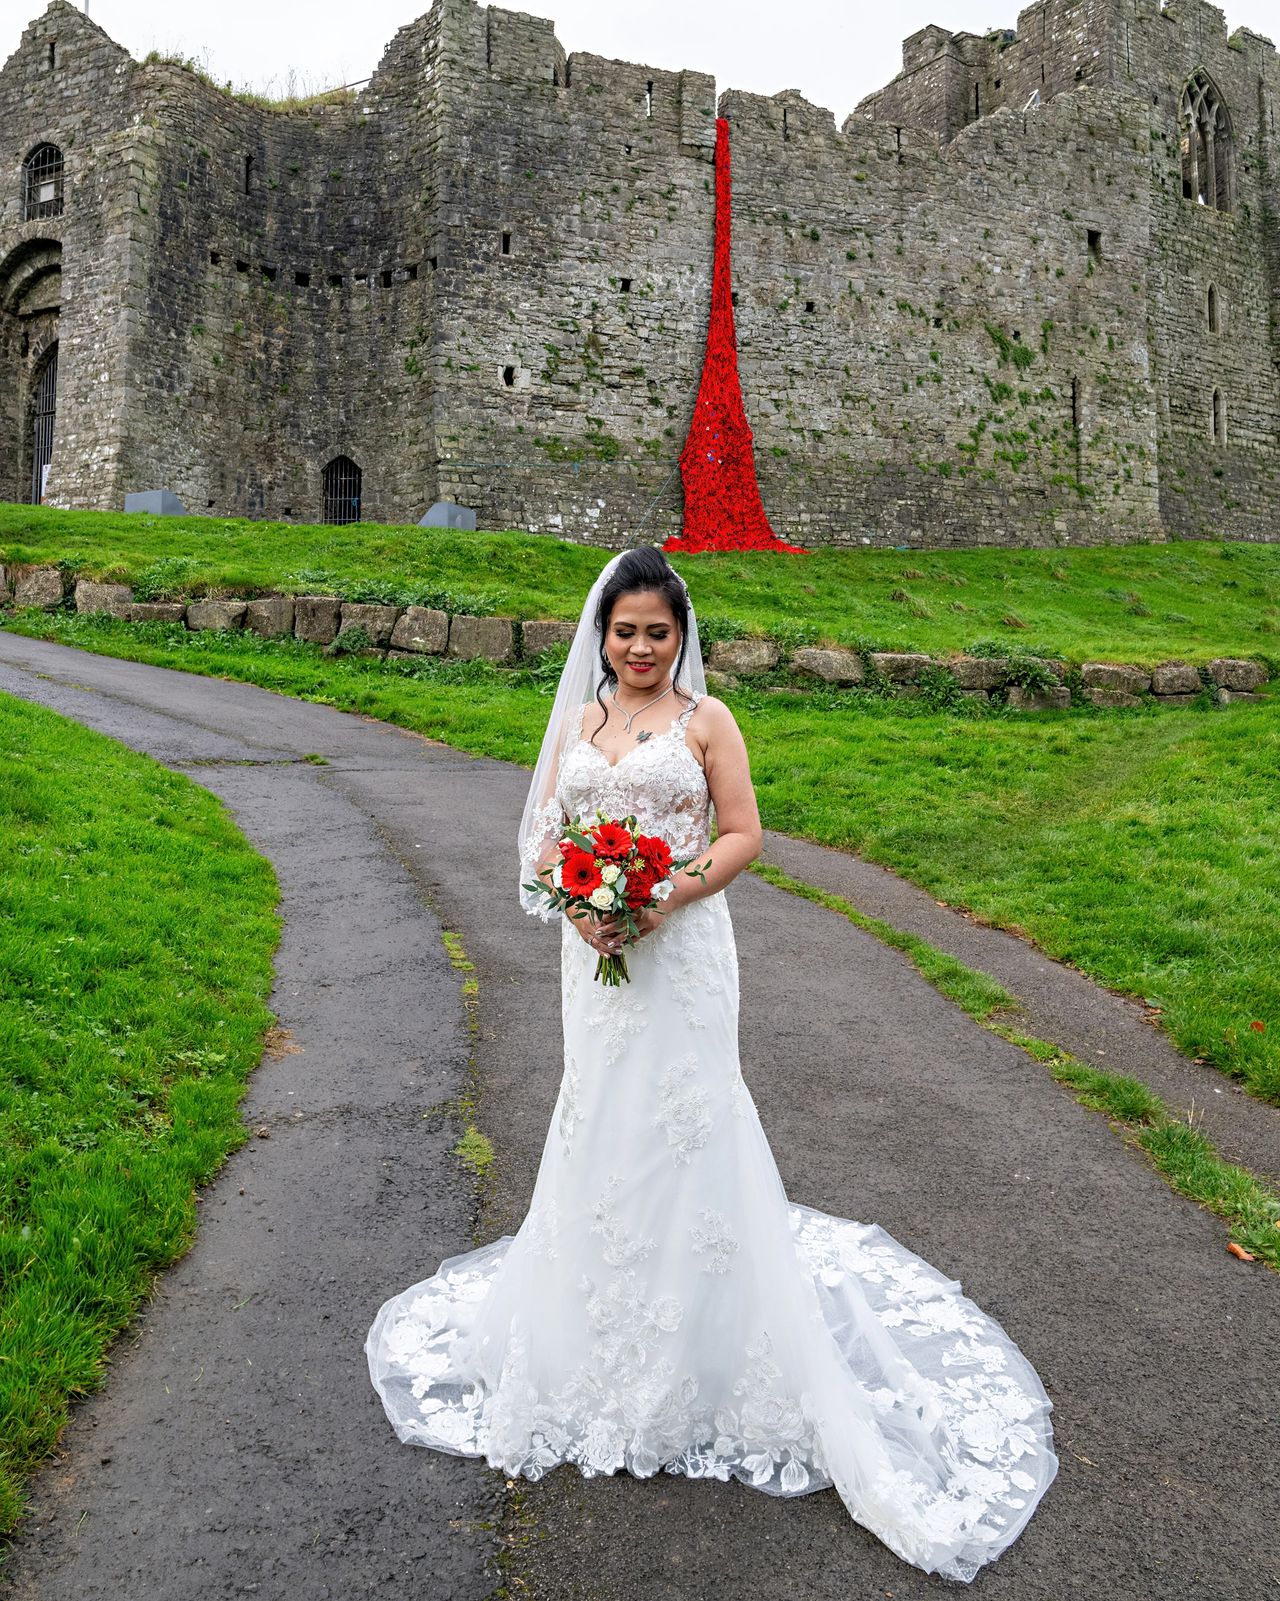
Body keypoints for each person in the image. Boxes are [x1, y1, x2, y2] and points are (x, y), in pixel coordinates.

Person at [365, 547, 1058, 1582]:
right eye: (622, 630)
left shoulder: (706, 720)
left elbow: (743, 833)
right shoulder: (579, 723)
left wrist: (661, 894)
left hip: (680, 947)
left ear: (679, 633)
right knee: (598, 1111)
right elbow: (548, 838)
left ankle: (708, 1330)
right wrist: (583, 903)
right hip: (592, 947)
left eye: (655, 631)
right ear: (598, 633)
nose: (638, 648)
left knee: (683, 1116)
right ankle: (591, 1314)